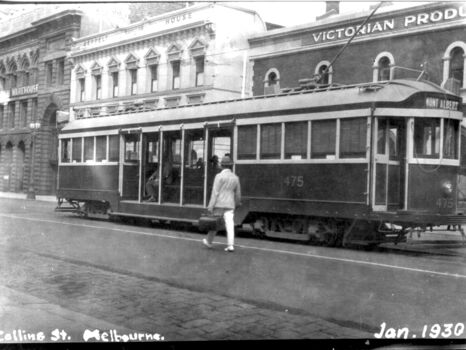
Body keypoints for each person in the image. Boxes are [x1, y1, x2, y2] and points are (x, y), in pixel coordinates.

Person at [202, 155, 241, 252]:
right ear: (230, 166)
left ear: (222, 166)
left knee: (214, 224)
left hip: (219, 204)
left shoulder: (218, 176)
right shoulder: (235, 178)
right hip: (230, 204)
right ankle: (231, 245)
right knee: (230, 225)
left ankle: (209, 241)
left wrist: (210, 206)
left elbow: (215, 193)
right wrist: (236, 204)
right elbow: (238, 194)